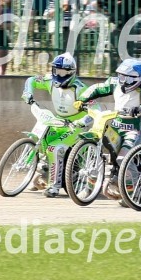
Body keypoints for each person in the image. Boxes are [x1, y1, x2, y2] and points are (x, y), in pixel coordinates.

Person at [74, 59, 141, 198]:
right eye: (120, 75)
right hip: (114, 127)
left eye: (123, 76)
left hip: (133, 132)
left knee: (123, 159)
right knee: (96, 151)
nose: (120, 79)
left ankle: (134, 193)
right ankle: (88, 188)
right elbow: (96, 88)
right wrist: (82, 99)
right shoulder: (114, 83)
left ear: (133, 77)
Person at [20, 53, 89, 198]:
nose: (59, 75)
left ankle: (54, 186)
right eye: (56, 71)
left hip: (75, 126)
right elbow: (31, 80)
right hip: (58, 121)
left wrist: (83, 122)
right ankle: (43, 170)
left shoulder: (81, 90)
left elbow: (96, 110)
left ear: (71, 72)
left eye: (63, 72)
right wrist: (28, 93)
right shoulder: (50, 80)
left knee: (55, 148)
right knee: (43, 139)